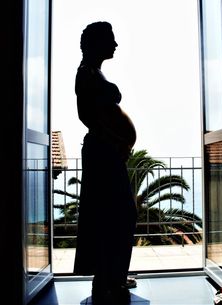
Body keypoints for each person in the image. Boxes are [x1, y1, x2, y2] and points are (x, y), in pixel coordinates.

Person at [73, 21, 138, 305]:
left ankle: (113, 276)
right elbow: (87, 117)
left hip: (106, 150)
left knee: (118, 214)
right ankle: (106, 280)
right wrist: (117, 141)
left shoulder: (94, 72)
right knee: (115, 213)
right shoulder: (86, 74)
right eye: (110, 40)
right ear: (96, 43)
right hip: (102, 151)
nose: (115, 45)